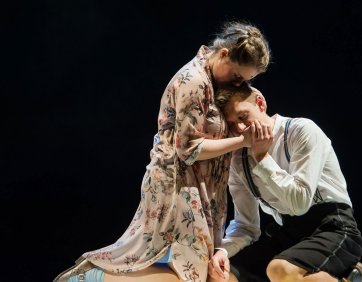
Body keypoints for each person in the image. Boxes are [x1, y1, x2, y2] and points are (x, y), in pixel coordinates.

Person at [53, 20, 271, 282]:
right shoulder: (193, 81)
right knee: (189, 273)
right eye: (237, 77)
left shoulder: (216, 81)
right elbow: (188, 149)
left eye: (246, 81)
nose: (238, 84)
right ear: (223, 54)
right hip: (179, 185)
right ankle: (88, 279)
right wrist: (242, 141)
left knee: (195, 271)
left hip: (204, 186)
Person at [208, 83, 362, 282]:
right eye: (232, 125)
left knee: (280, 270)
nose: (240, 129)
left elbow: (299, 203)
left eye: (243, 117)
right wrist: (223, 251)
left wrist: (262, 157)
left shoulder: (301, 130)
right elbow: (246, 226)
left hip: (334, 226)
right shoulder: (238, 161)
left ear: (260, 103)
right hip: (289, 233)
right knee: (223, 274)